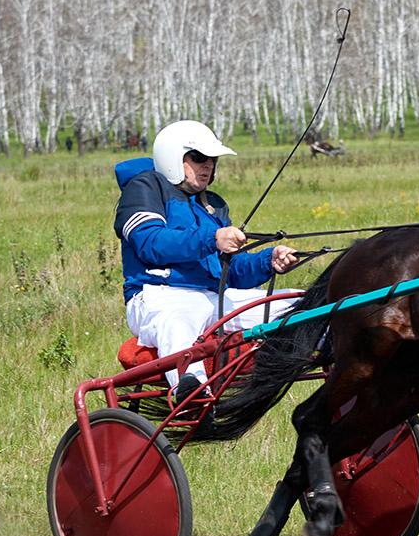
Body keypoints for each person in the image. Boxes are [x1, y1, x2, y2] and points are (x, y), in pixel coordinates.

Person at [113, 120, 299, 400]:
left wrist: (268, 261)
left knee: (299, 302)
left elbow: (231, 271)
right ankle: (192, 391)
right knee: (177, 322)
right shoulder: (145, 189)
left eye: (212, 159)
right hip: (159, 298)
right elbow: (150, 243)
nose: (208, 165)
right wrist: (212, 238)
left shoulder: (212, 204)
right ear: (173, 157)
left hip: (214, 299)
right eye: (198, 158)